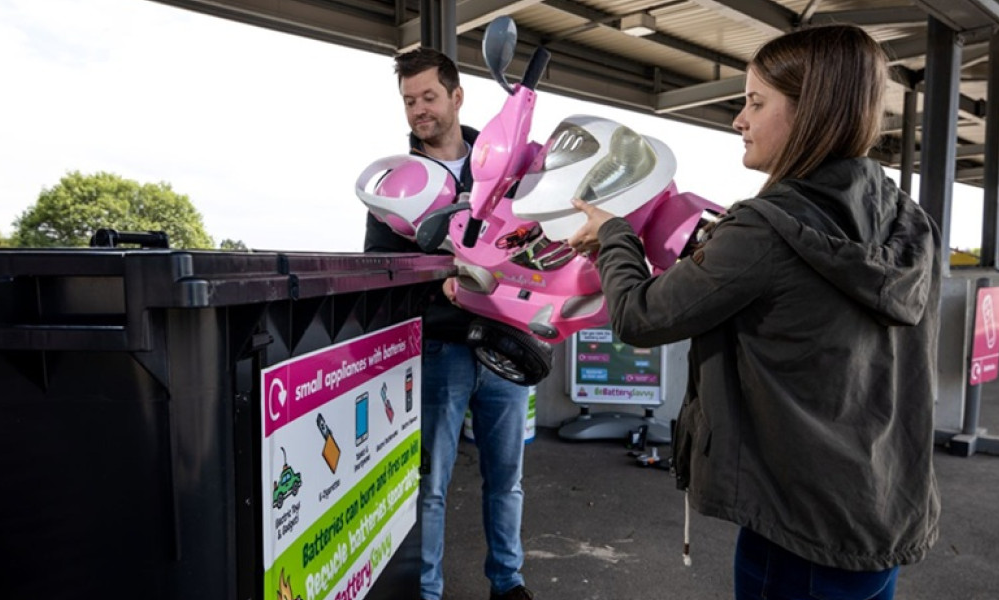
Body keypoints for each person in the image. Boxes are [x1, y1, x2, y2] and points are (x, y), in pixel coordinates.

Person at [566, 25, 941, 600]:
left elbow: (641, 317)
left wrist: (615, 236)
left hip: (795, 529)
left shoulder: (765, 229)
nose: (739, 119)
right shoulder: (908, 222)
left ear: (810, 112)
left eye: (755, 102)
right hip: (875, 510)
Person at [364, 47, 534, 600]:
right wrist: (439, 283)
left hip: (508, 343)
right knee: (429, 486)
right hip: (440, 350)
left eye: (429, 97)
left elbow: (540, 237)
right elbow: (380, 271)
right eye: (409, 101)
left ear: (457, 96)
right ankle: (426, 590)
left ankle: (507, 583)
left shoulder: (509, 164)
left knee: (506, 481)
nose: (419, 110)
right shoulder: (397, 182)